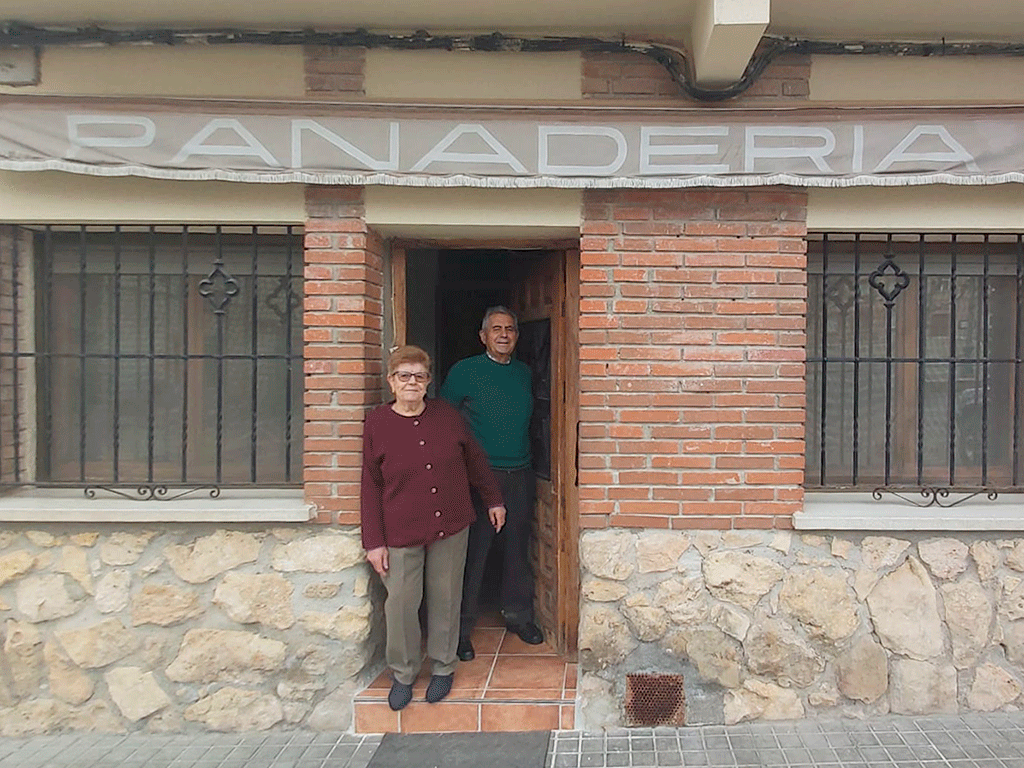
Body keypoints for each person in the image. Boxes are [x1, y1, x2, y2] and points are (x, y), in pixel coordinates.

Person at [361, 345, 506, 711]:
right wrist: (374, 542)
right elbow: (371, 484)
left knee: (446, 599)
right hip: (400, 531)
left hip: (451, 524)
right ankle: (404, 673)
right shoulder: (377, 422)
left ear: (429, 381)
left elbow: (474, 458)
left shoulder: (447, 416)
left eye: (420, 376)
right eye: (404, 376)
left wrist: (493, 498)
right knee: (402, 605)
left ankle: (443, 667)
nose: (413, 382)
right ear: (392, 382)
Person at [441, 306, 544, 662]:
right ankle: (461, 632)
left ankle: (519, 616)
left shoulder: (524, 373)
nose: (504, 334)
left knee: (517, 550)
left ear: (517, 335)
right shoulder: (465, 371)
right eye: (496, 329)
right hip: (480, 478)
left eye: (510, 329)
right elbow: (445, 420)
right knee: (475, 554)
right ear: (483, 336)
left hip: (520, 473)